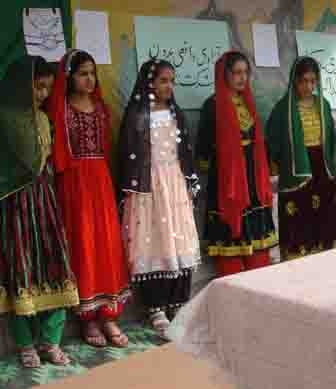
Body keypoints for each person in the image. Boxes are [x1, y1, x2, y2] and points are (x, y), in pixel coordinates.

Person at [0, 55, 79, 368]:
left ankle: (51, 340)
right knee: (20, 269)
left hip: (45, 203)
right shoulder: (4, 118)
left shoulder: (45, 119)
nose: (43, 94)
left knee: (55, 264)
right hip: (14, 206)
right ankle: (25, 344)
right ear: (20, 86)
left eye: (47, 88)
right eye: (37, 87)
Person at [47, 49, 130, 347]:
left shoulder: (101, 108)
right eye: (83, 73)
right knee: (83, 243)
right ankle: (89, 317)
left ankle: (109, 315)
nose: (90, 79)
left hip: (100, 182)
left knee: (106, 241)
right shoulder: (60, 109)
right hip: (74, 183)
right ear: (69, 77)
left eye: (92, 73)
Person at [119, 59, 200, 339]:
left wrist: (188, 183)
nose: (169, 86)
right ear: (149, 83)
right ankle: (155, 308)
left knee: (179, 240)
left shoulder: (176, 113)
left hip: (175, 184)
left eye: (172, 81)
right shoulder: (137, 116)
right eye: (164, 80)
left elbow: (185, 152)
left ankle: (178, 302)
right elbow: (126, 155)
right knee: (153, 242)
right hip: (148, 188)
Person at [196, 51, 277, 277]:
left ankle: (258, 283)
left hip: (252, 178)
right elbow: (204, 145)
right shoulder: (212, 105)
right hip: (227, 180)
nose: (242, 78)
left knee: (257, 249)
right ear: (225, 74)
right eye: (237, 73)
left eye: (245, 73)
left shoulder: (248, 102)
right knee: (230, 239)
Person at [266, 56, 336, 260]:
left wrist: (335, 168)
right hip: (296, 170)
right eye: (304, 81)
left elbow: (331, 140)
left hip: (321, 168)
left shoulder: (323, 105)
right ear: (295, 80)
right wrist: (278, 166)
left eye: (313, 81)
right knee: (298, 217)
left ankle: (324, 259)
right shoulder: (283, 109)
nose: (309, 86)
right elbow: (272, 140)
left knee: (323, 216)